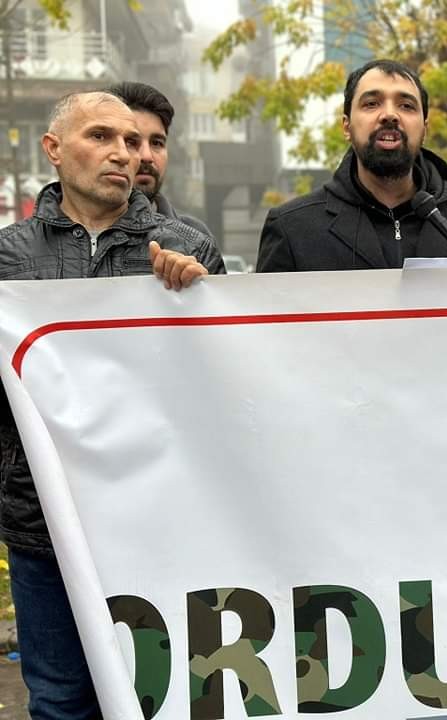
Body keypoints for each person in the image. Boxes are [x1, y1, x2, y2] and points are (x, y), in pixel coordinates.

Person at [0, 90, 224, 718]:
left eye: (131, 141)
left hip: (158, 519)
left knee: (163, 695)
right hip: (45, 529)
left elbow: (225, 384)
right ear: (53, 149)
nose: (122, 154)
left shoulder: (188, 246)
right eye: (100, 137)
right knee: (61, 701)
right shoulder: (8, 256)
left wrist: (199, 300)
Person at [256, 59, 447, 272]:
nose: (389, 115)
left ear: (425, 129)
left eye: (406, 106)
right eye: (371, 103)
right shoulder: (291, 229)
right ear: (346, 127)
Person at [104, 81, 212, 235]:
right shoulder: (62, 235)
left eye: (156, 143)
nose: (147, 156)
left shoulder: (195, 239)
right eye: (131, 142)